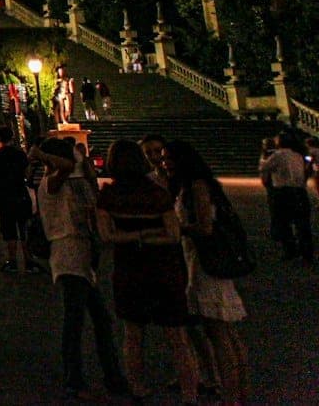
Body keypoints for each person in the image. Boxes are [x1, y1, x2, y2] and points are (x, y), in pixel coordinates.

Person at [96, 139, 198, 403]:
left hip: (129, 269)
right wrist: (150, 233)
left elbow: (106, 235)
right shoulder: (157, 194)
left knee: (133, 334)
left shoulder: (109, 196)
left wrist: (133, 237)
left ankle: (137, 386)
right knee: (177, 336)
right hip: (163, 268)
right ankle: (190, 392)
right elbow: (173, 234)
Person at [35, 136, 126, 398]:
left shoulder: (71, 182)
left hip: (81, 252)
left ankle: (107, 376)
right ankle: (78, 379)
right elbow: (64, 167)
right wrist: (42, 155)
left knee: (96, 319)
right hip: (68, 252)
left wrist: (84, 164)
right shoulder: (51, 182)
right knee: (78, 320)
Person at [165, 140, 248, 406]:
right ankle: (238, 392)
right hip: (201, 260)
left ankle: (231, 396)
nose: (165, 164)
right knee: (225, 332)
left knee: (219, 333)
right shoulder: (194, 185)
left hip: (206, 262)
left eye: (169, 158)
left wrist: (177, 229)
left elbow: (205, 227)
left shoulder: (197, 186)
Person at [261, 132, 313, 264]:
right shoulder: (298, 155)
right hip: (299, 191)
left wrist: (264, 155)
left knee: (283, 222)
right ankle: (306, 252)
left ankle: (290, 250)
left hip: (283, 191)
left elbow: (264, 167)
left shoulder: (278, 155)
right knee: (302, 223)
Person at [0, 126, 36, 274]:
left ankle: (12, 260)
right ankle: (29, 260)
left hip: (5, 192)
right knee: (24, 226)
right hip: (20, 190)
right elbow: (27, 172)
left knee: (9, 228)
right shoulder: (20, 154)